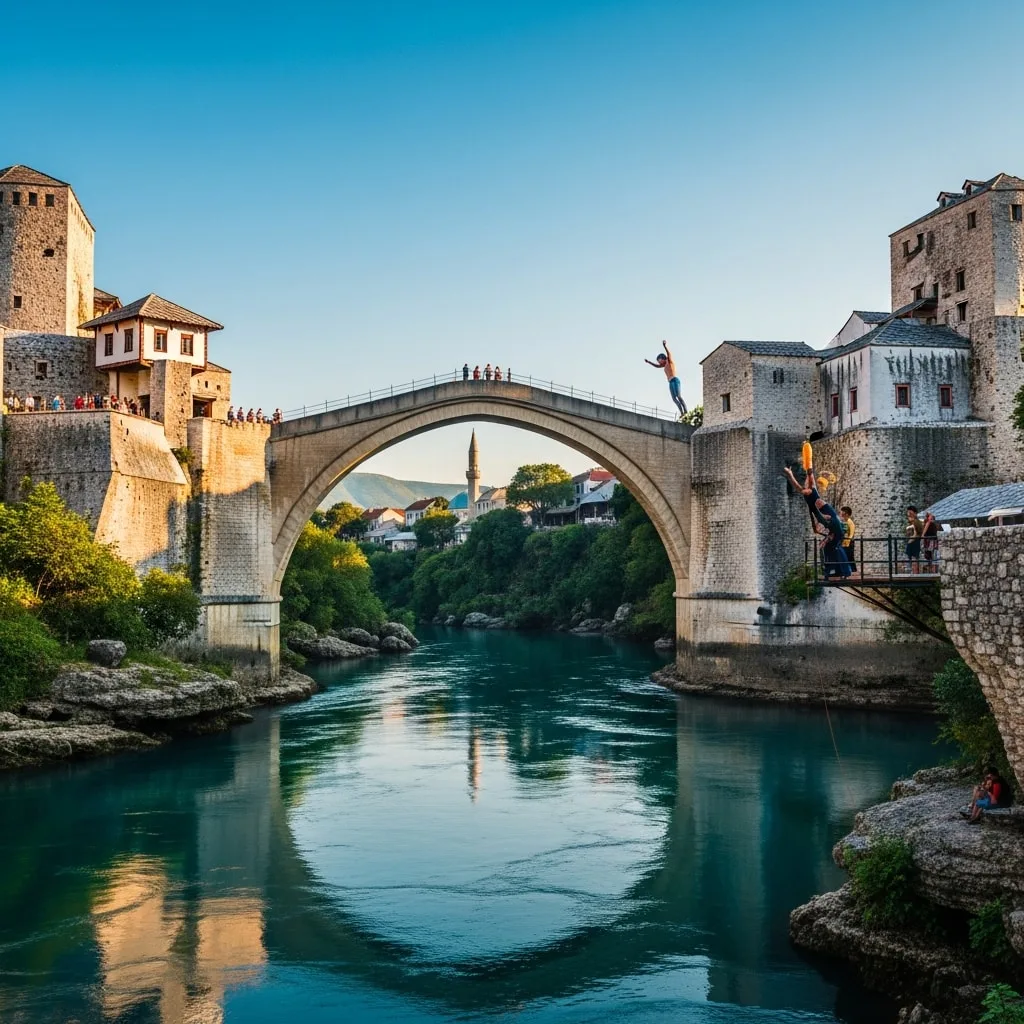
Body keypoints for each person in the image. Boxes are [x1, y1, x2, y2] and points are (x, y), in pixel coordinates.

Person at [782, 462, 851, 579]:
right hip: (829, 522)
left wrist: (790, 475)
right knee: (828, 546)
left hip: (832, 521)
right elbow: (809, 473)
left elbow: (799, 487)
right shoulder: (810, 488)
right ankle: (834, 570)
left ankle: (843, 571)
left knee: (834, 546)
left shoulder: (810, 490)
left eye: (806, 480)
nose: (805, 482)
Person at [644, 340, 687, 418]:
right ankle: (682, 413)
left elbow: (668, 354)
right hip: (670, 382)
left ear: (663, 358)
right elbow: (656, 366)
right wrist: (649, 362)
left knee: (678, 396)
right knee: (674, 399)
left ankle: (686, 410)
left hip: (675, 380)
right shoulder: (663, 366)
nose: (659, 363)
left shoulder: (669, 361)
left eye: (659, 360)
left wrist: (665, 346)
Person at [904, 507, 923, 574]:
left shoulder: (916, 522)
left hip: (914, 542)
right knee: (912, 557)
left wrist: (910, 541)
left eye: (911, 513)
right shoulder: (912, 522)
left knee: (913, 557)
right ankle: (912, 572)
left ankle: (913, 573)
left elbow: (916, 533)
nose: (909, 514)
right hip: (913, 541)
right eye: (908, 513)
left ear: (915, 513)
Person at [840, 506, 857, 575]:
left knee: (850, 558)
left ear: (846, 514)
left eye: (842, 511)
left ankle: (854, 571)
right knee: (847, 558)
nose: (841, 513)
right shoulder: (846, 522)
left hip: (848, 543)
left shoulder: (850, 522)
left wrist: (848, 542)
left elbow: (851, 534)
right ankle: (850, 571)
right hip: (845, 543)